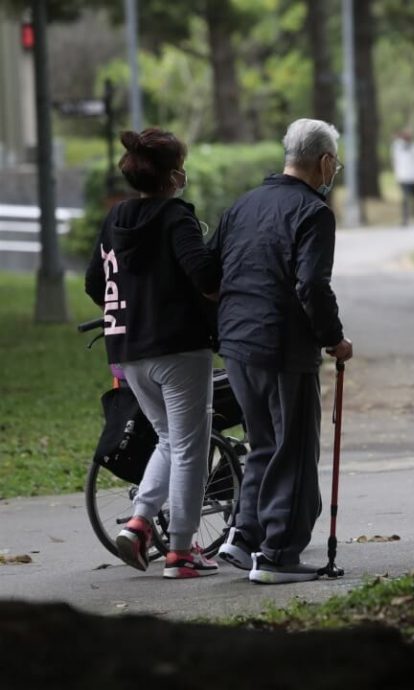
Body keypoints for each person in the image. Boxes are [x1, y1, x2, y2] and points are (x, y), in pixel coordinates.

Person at [212, 118, 353, 584]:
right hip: (281, 345)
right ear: (325, 162)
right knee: (291, 449)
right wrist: (334, 339)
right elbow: (312, 283)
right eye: (335, 162)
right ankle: (277, 556)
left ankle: (244, 536)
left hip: (236, 342)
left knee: (263, 443)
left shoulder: (244, 204)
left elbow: (209, 269)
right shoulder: (313, 213)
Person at [84, 127, 220, 579]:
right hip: (178, 348)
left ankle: (141, 523)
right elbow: (203, 274)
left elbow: (93, 282)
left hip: (128, 348)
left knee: (169, 439)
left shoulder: (114, 219)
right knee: (190, 448)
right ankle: (181, 552)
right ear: (171, 176)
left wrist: (132, 309)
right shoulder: (176, 216)